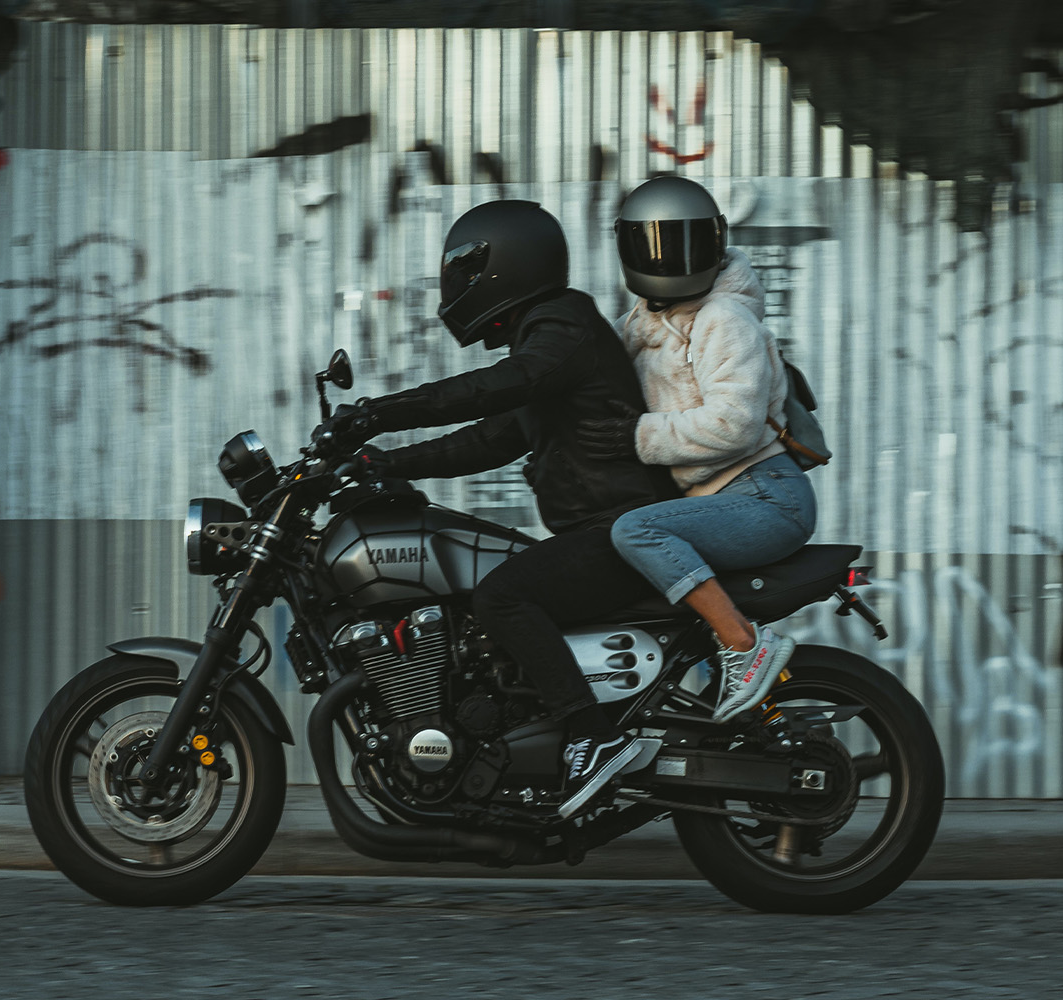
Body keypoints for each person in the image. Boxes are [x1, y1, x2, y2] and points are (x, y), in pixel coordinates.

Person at [316, 199, 681, 819]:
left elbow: (495, 388)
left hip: (619, 532)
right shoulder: (552, 344)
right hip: (600, 532)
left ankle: (595, 737)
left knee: (501, 596)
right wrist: (385, 462)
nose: (454, 283)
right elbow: (489, 436)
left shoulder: (564, 328)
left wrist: (383, 411)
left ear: (504, 265)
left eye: (464, 268)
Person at [579, 175, 817, 723]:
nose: (669, 259)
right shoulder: (646, 323)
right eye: (655, 244)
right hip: (724, 497)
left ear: (712, 242)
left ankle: (743, 645)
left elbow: (733, 425)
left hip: (765, 496)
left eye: (684, 243)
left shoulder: (724, 319)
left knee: (636, 530)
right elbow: (590, 365)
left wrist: (635, 437)